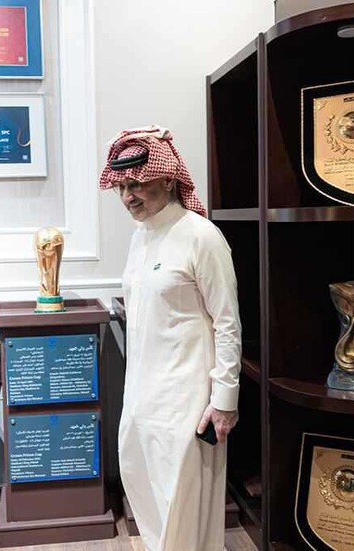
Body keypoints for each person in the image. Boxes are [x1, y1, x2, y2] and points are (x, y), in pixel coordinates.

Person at [99, 125, 242, 551]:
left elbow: (228, 322)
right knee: (147, 492)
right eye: (121, 187)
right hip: (143, 395)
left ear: (166, 179)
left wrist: (225, 399)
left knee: (185, 503)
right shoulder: (140, 236)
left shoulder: (202, 236)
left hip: (188, 399)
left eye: (136, 184)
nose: (128, 197)